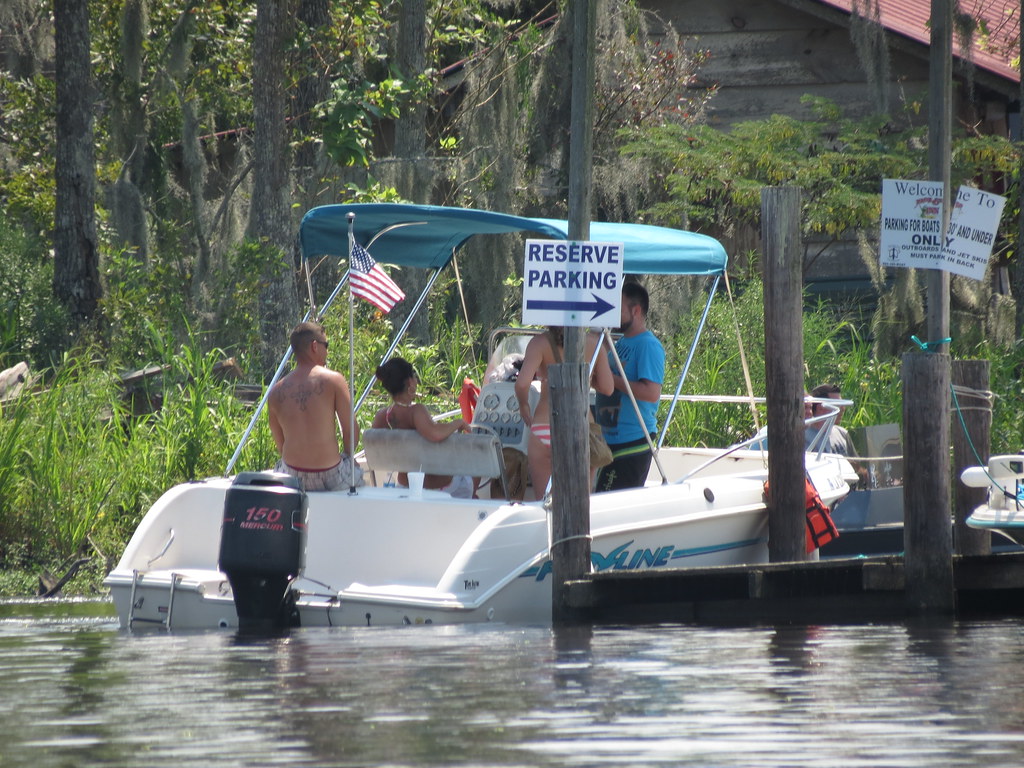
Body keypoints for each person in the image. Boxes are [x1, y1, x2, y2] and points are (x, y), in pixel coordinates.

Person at [515, 327, 613, 495]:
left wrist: (524, 405)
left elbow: (522, 383)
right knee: (582, 500)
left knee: (545, 503)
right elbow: (607, 388)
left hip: (545, 426)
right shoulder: (594, 343)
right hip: (582, 428)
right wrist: (585, 377)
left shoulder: (539, 343)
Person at [268, 321, 363, 491]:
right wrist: (349, 457)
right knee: (360, 475)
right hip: (331, 475)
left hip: (291, 476)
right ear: (314, 346)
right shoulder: (333, 380)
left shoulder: (276, 391)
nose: (327, 351)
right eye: (325, 345)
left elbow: (281, 446)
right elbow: (351, 431)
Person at [594, 283, 666, 492]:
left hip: (632, 441)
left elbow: (652, 393)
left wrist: (610, 379)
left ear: (636, 311)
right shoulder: (623, 343)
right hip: (611, 440)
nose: (611, 313)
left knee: (606, 505)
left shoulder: (648, 345)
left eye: (617, 307)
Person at [371, 356, 469, 491]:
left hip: (404, 483)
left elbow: (374, 445)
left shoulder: (382, 416)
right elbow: (434, 434)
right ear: (410, 382)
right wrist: (458, 423)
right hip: (434, 486)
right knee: (472, 473)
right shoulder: (416, 411)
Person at [805, 383, 857, 456]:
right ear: (821, 407)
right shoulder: (803, 437)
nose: (843, 409)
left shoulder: (842, 433)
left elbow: (856, 466)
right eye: (838, 404)